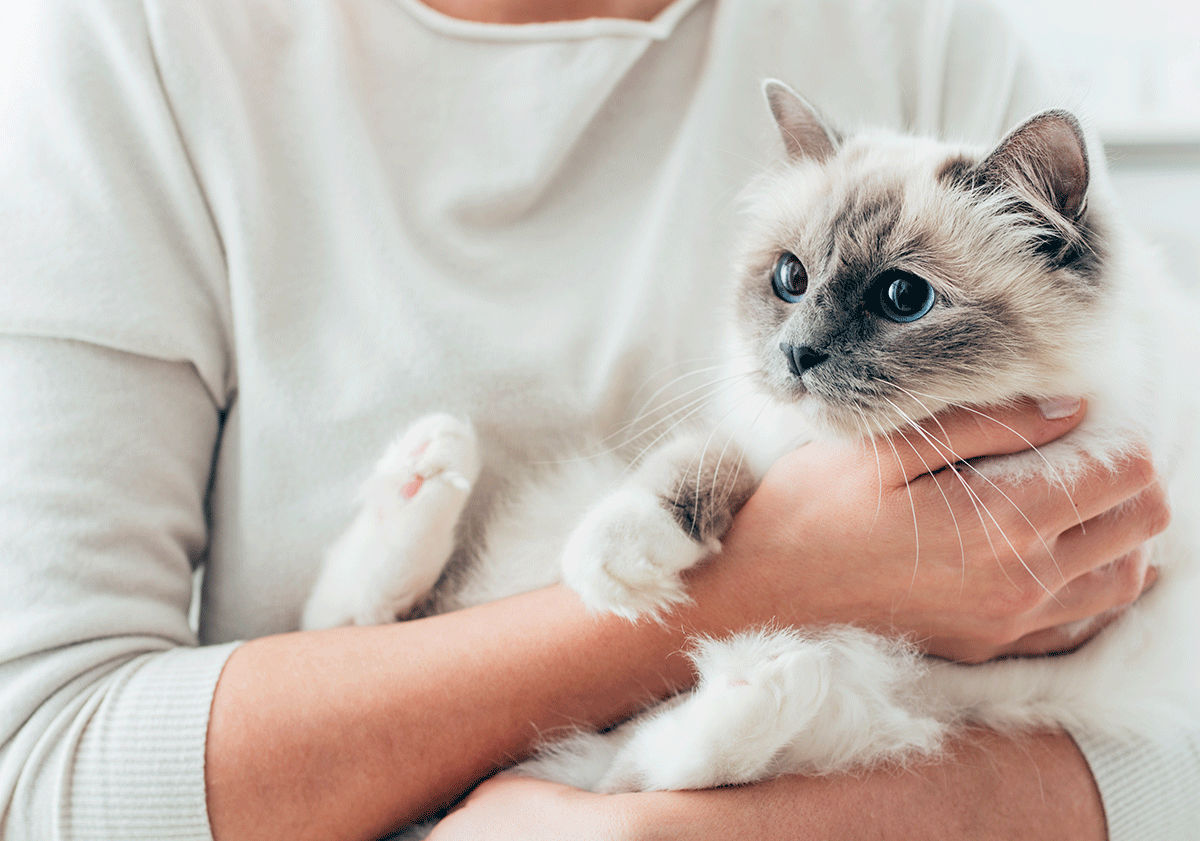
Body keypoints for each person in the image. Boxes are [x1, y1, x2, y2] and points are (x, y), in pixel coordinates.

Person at [0, 1, 1195, 839]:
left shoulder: (926, 34)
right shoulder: (132, 45)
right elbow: (39, 772)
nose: (808, 344)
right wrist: (776, 580)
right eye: (788, 287)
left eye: (894, 300)